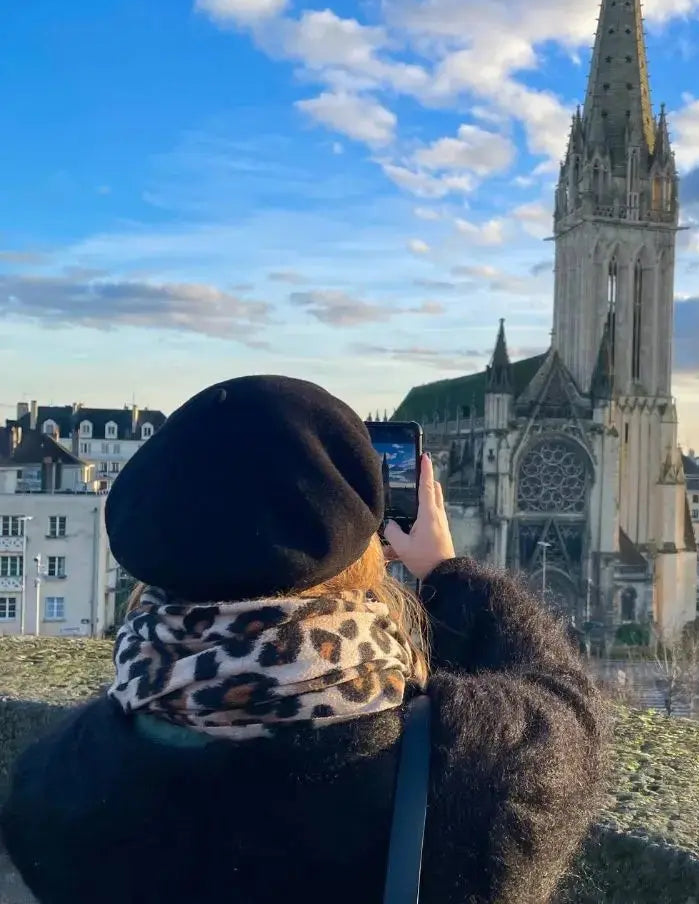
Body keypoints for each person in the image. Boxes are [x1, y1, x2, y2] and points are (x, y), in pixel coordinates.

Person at [0, 376, 606, 904]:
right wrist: (449, 574)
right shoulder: (475, 783)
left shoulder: (50, 793)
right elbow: (568, 704)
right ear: (361, 541)